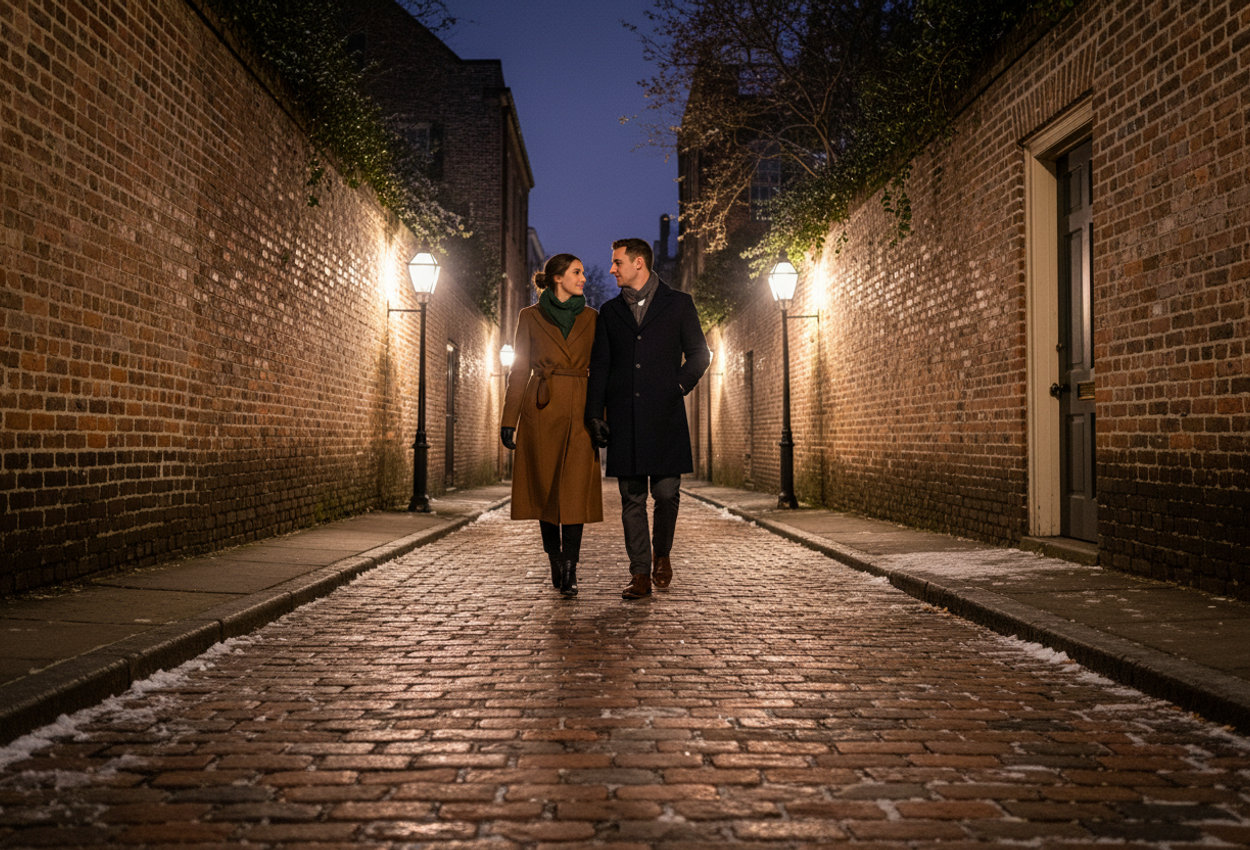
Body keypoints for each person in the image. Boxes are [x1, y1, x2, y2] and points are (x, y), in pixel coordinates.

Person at [585, 238, 711, 600]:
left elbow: (700, 355)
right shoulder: (609, 312)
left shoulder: (679, 304)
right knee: (632, 498)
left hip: (667, 414)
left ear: (638, 263)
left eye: (617, 262)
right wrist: (596, 413)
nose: (612, 269)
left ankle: (663, 555)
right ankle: (639, 572)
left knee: (667, 493)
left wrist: (679, 386)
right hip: (625, 418)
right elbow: (602, 366)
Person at [501, 254, 603, 597]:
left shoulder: (592, 318)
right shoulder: (528, 317)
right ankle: (554, 558)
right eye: (578, 272)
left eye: (583, 273)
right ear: (558, 278)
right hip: (541, 408)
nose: (584, 278)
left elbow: (603, 371)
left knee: (574, 491)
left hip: (580, 409)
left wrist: (602, 417)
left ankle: (571, 567)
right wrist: (508, 419)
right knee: (545, 490)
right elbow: (519, 370)